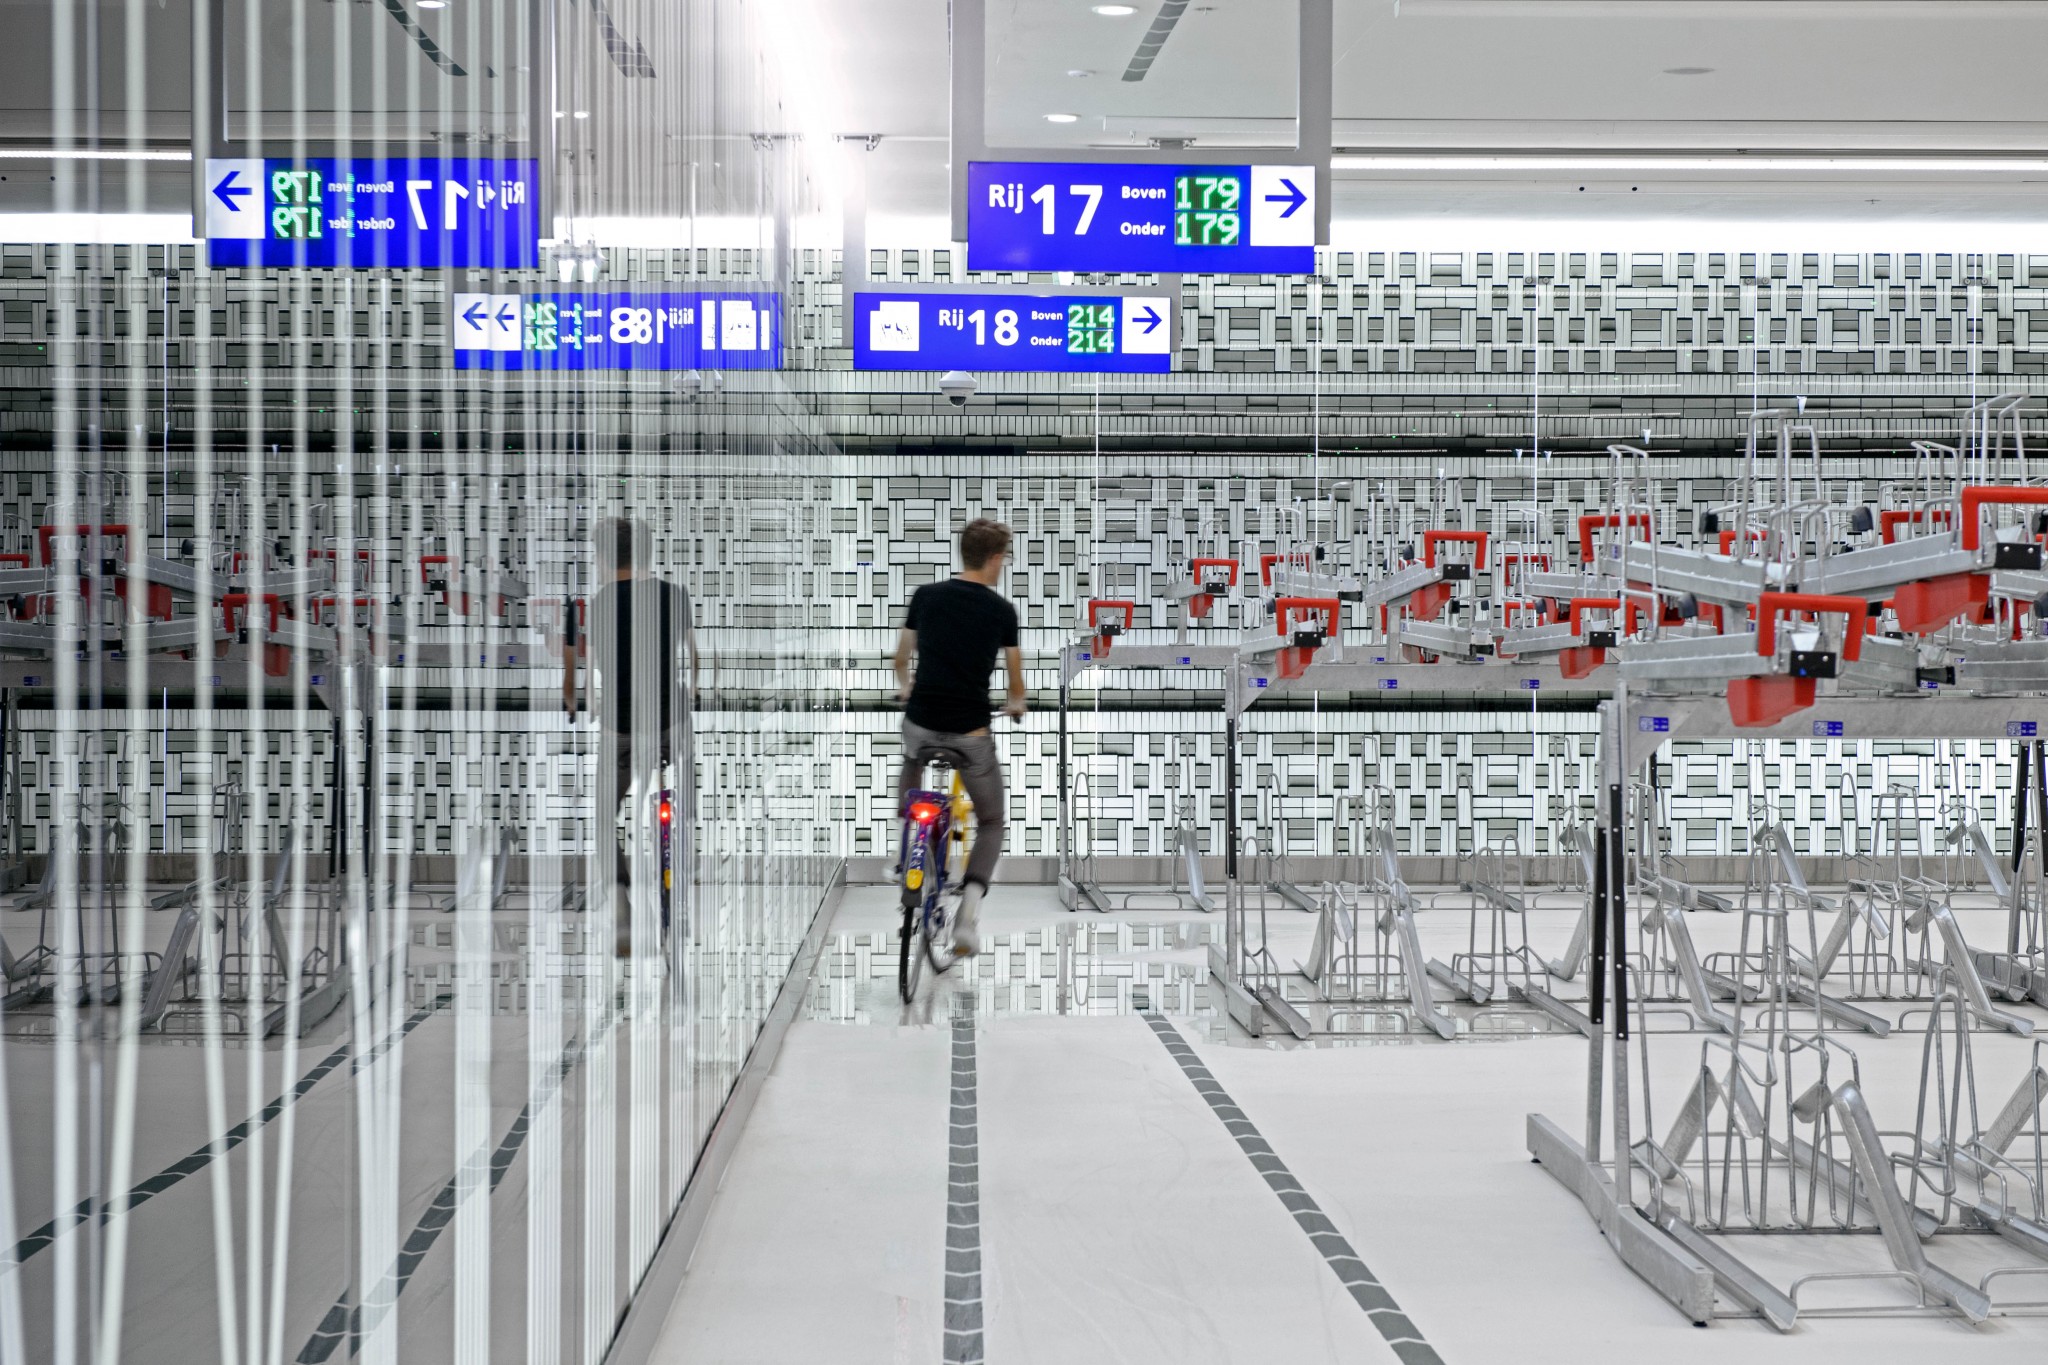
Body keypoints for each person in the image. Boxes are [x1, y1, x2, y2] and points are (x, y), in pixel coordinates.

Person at [562, 516, 697, 954]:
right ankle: (679, 885)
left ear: (603, 558)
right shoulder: (675, 596)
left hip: (622, 727)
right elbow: (693, 663)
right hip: (670, 725)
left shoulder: (600, 602)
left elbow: (591, 673)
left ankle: (620, 901)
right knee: (681, 801)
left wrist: (578, 700)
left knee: (605, 814)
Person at [894, 517, 1024, 956]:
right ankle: (967, 913)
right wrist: (1016, 705)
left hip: (922, 720)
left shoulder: (925, 597)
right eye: (1003, 557)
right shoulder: (1003, 611)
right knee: (990, 821)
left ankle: (906, 851)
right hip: (970, 733)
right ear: (992, 559)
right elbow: (1015, 682)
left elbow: (901, 657)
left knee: (912, 752)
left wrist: (906, 687)